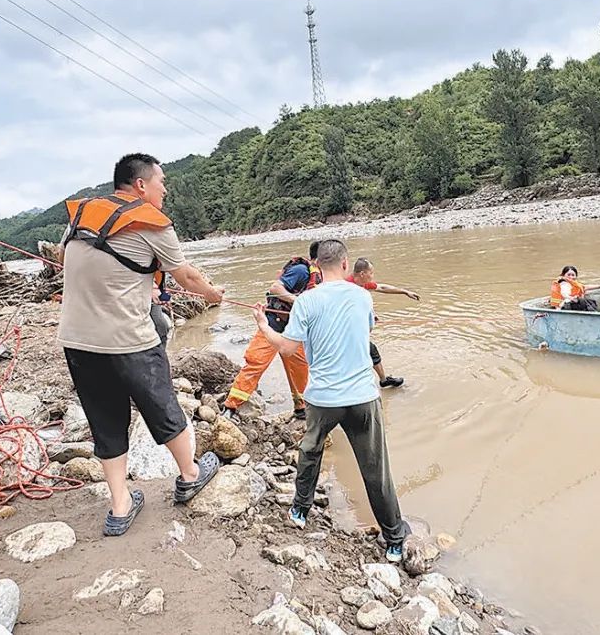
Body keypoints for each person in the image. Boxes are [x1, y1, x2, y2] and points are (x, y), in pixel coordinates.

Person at [59, 153, 225, 536]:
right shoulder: (153, 224)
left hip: (77, 341)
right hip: (128, 340)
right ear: (140, 186)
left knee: (105, 420)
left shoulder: (81, 216)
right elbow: (185, 276)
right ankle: (190, 474)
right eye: (161, 182)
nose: (165, 189)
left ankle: (119, 507)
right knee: (163, 406)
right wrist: (214, 296)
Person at [252, 239, 411, 563]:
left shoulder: (306, 302)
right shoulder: (363, 296)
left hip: (323, 398)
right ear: (344, 264)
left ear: (317, 268)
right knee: (375, 468)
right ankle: (394, 539)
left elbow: (287, 349)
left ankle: (299, 510)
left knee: (310, 450)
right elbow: (363, 333)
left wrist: (263, 325)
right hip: (363, 397)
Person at [222, 241, 321, 421]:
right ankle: (230, 407)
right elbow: (275, 288)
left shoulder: (321, 278)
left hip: (294, 330)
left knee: (300, 370)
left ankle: (301, 408)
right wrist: (297, 302)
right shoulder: (301, 270)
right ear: (319, 258)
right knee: (255, 363)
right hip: (273, 324)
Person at [347, 257, 419, 389]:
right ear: (362, 274)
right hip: (345, 331)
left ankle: (382, 380)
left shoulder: (361, 284)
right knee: (366, 351)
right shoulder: (346, 286)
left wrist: (405, 291)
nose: (373, 276)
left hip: (355, 331)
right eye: (371, 273)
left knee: (368, 350)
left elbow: (382, 287)